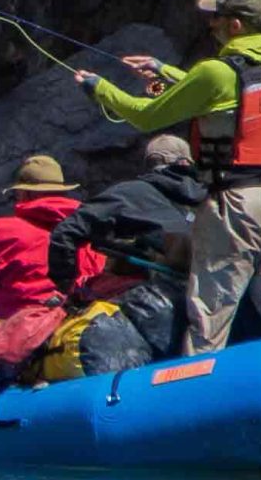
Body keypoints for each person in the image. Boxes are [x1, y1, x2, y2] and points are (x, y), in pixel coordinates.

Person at [73, 0, 261, 354]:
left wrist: (99, 88)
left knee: (210, 314)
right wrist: (163, 71)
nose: (211, 25)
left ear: (235, 25)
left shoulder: (214, 72)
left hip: (235, 206)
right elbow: (226, 89)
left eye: (216, 18)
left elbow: (145, 116)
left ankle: (195, 388)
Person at [0, 155, 102, 378]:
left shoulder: (4, 231)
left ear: (25, 194)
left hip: (17, 344)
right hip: (74, 337)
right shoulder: (90, 232)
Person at [43, 131, 203, 359]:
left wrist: (65, 287)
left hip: (154, 301)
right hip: (209, 297)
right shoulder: (213, 196)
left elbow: (65, 234)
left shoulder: (129, 193)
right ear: (187, 162)